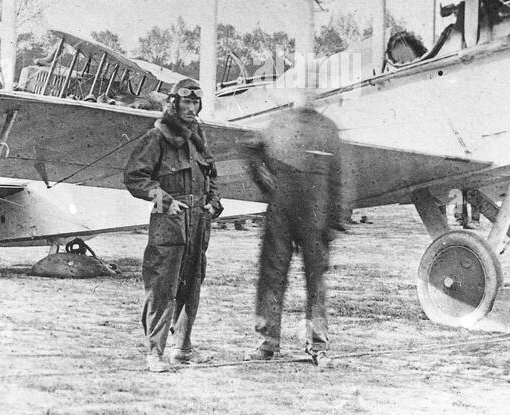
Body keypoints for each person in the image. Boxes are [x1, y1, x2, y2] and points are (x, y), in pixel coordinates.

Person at [123, 79, 222, 373]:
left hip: (198, 223)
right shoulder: (157, 137)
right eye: (186, 102)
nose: (191, 108)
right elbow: (135, 177)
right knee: (162, 286)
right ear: (174, 104)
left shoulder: (197, 137)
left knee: (192, 285)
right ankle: (155, 353)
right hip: (170, 221)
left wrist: (213, 203)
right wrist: (165, 201)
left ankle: (183, 349)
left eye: (196, 103)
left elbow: (212, 175)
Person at [244, 88, 347, 367]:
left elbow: (338, 177)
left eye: (313, 91)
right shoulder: (276, 124)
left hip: (316, 214)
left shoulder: (328, 128)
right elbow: (253, 153)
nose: (308, 97)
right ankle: (268, 342)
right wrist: (266, 185)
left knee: (316, 282)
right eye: (303, 91)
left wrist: (336, 219)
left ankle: (317, 345)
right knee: (272, 277)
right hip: (281, 212)